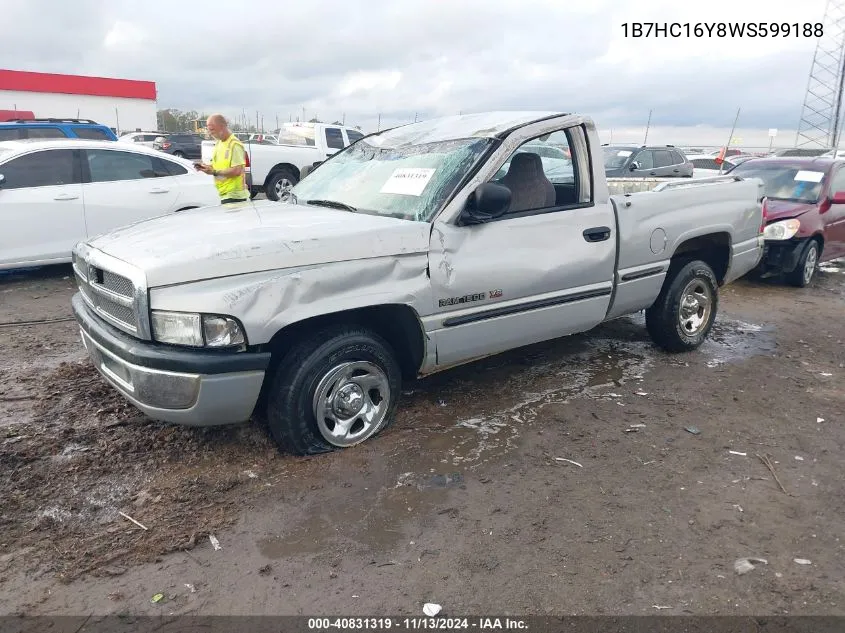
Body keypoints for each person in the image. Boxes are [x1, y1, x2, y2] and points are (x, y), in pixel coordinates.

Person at [195, 114, 249, 204]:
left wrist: (214, 172)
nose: (210, 132)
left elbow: (237, 171)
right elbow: (218, 166)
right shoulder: (218, 144)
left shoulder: (234, 144)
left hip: (235, 195)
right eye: (208, 130)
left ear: (222, 126)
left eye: (212, 129)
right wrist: (206, 167)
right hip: (224, 193)